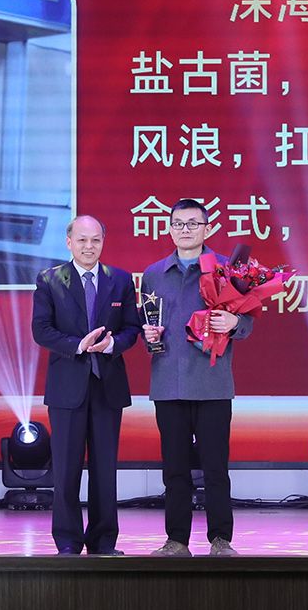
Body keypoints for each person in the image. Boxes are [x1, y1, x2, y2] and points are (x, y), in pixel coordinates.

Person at [140, 199, 253, 557]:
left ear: (208, 228)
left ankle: (221, 539)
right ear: (169, 229)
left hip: (212, 382)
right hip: (168, 383)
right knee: (174, 469)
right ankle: (177, 540)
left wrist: (234, 323)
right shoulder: (154, 273)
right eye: (178, 223)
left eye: (193, 223)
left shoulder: (226, 269)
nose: (185, 230)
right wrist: (149, 337)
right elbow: (148, 325)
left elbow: (247, 321)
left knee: (215, 467)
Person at [31, 215, 142, 555]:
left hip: (107, 386)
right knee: (66, 470)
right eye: (82, 240)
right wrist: (77, 345)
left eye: (95, 240)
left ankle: (103, 542)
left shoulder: (120, 279)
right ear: (69, 242)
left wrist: (112, 344)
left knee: (105, 470)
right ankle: (67, 541)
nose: (89, 246)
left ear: (103, 242)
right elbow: (41, 330)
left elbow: (132, 328)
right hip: (67, 387)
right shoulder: (50, 280)